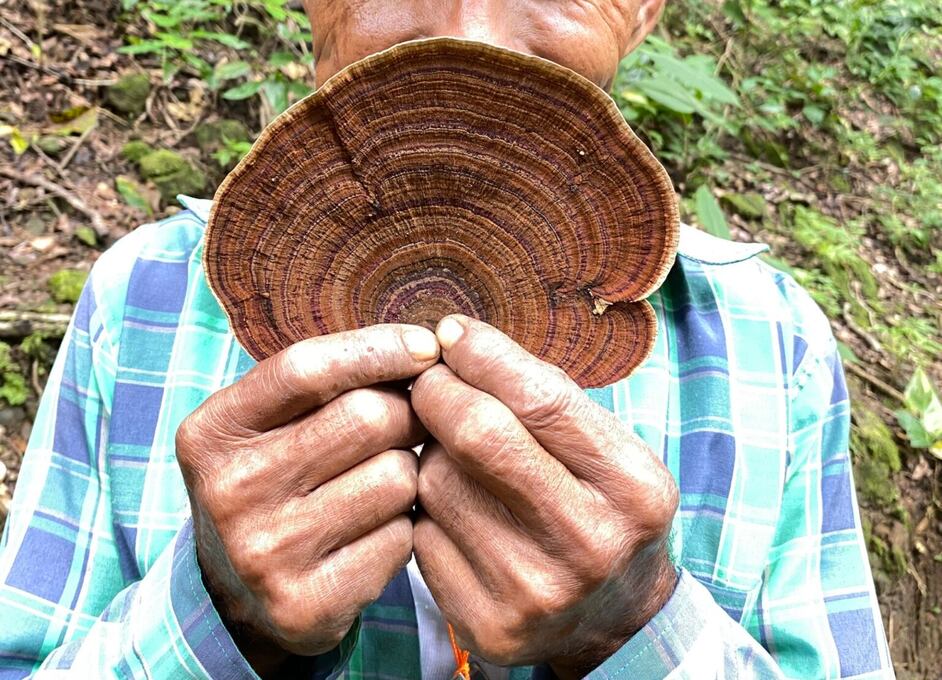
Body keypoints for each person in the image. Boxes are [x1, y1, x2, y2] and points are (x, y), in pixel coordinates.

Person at [0, 1, 894, 678]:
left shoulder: (769, 346)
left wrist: (634, 626)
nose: (470, 36)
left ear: (646, 10)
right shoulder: (143, 301)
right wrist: (219, 616)